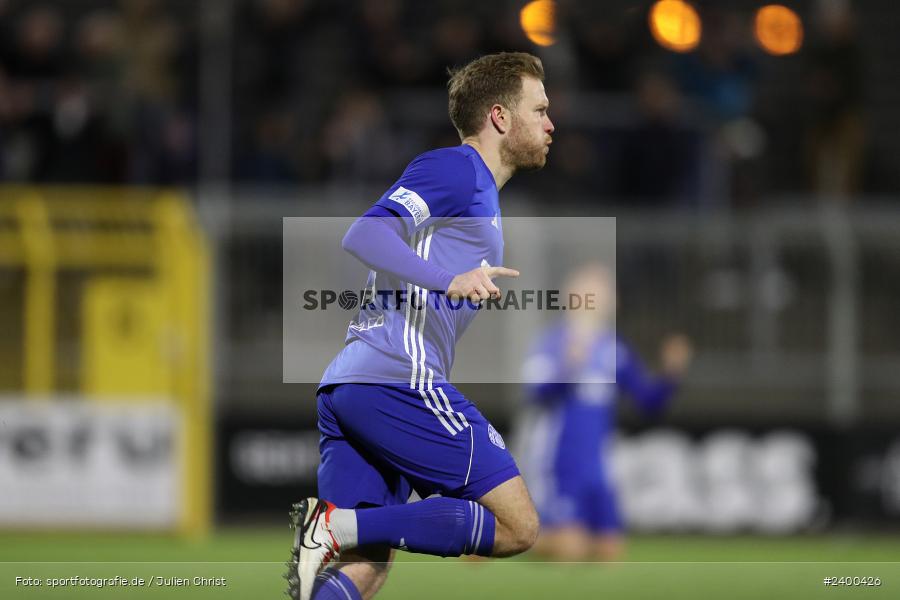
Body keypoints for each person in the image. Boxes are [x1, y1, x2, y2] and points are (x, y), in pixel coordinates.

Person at [287, 52, 554, 600]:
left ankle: (336, 533)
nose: (552, 124)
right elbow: (364, 235)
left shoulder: (476, 192)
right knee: (517, 526)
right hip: (395, 378)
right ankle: (331, 526)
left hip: (352, 384)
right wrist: (446, 279)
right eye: (541, 109)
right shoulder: (458, 169)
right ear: (501, 117)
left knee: (364, 570)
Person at [516, 263, 692, 561]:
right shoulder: (553, 342)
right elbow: (535, 393)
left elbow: (647, 402)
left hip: (596, 469)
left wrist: (670, 375)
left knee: (610, 552)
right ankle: (501, 540)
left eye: (605, 289)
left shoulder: (614, 349)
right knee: (571, 549)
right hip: (558, 465)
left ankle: (515, 537)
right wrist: (568, 367)